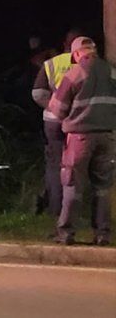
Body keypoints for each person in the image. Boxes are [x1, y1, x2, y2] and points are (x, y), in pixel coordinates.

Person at [48, 36, 116, 245]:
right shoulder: (111, 71)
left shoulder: (75, 73)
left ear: (77, 54)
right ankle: (103, 234)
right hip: (108, 136)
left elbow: (57, 109)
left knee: (72, 185)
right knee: (103, 187)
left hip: (80, 137)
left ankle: (66, 232)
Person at [30, 29, 83, 217]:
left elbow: (37, 93)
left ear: (65, 44)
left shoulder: (53, 63)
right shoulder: (89, 66)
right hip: (80, 121)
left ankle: (55, 210)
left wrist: (54, 108)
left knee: (54, 166)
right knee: (78, 165)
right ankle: (77, 212)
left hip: (53, 121)